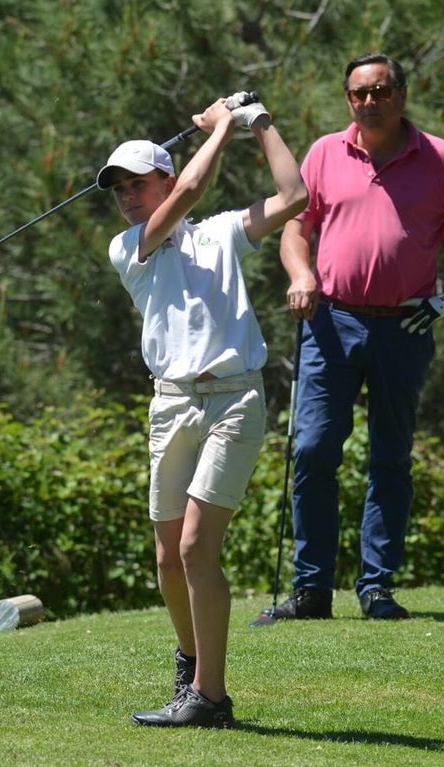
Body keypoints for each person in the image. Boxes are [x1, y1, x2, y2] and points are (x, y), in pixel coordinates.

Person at [97, 94, 307, 725]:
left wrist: (259, 122)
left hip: (234, 399)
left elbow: (295, 198)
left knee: (194, 548)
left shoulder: (219, 233)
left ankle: (211, 698)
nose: (129, 196)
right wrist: (218, 130)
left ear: (163, 176)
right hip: (171, 403)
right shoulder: (127, 246)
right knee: (167, 556)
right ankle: (192, 669)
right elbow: (189, 191)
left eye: (140, 183)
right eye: (120, 188)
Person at [273, 53, 444, 621]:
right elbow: (295, 228)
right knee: (311, 451)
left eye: (380, 91)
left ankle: (376, 587)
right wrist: (301, 275)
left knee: (390, 458)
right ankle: (312, 589)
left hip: (406, 324)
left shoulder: (437, 157)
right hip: (332, 320)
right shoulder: (326, 152)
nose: (369, 102)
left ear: (401, 95)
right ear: (348, 98)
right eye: (359, 93)